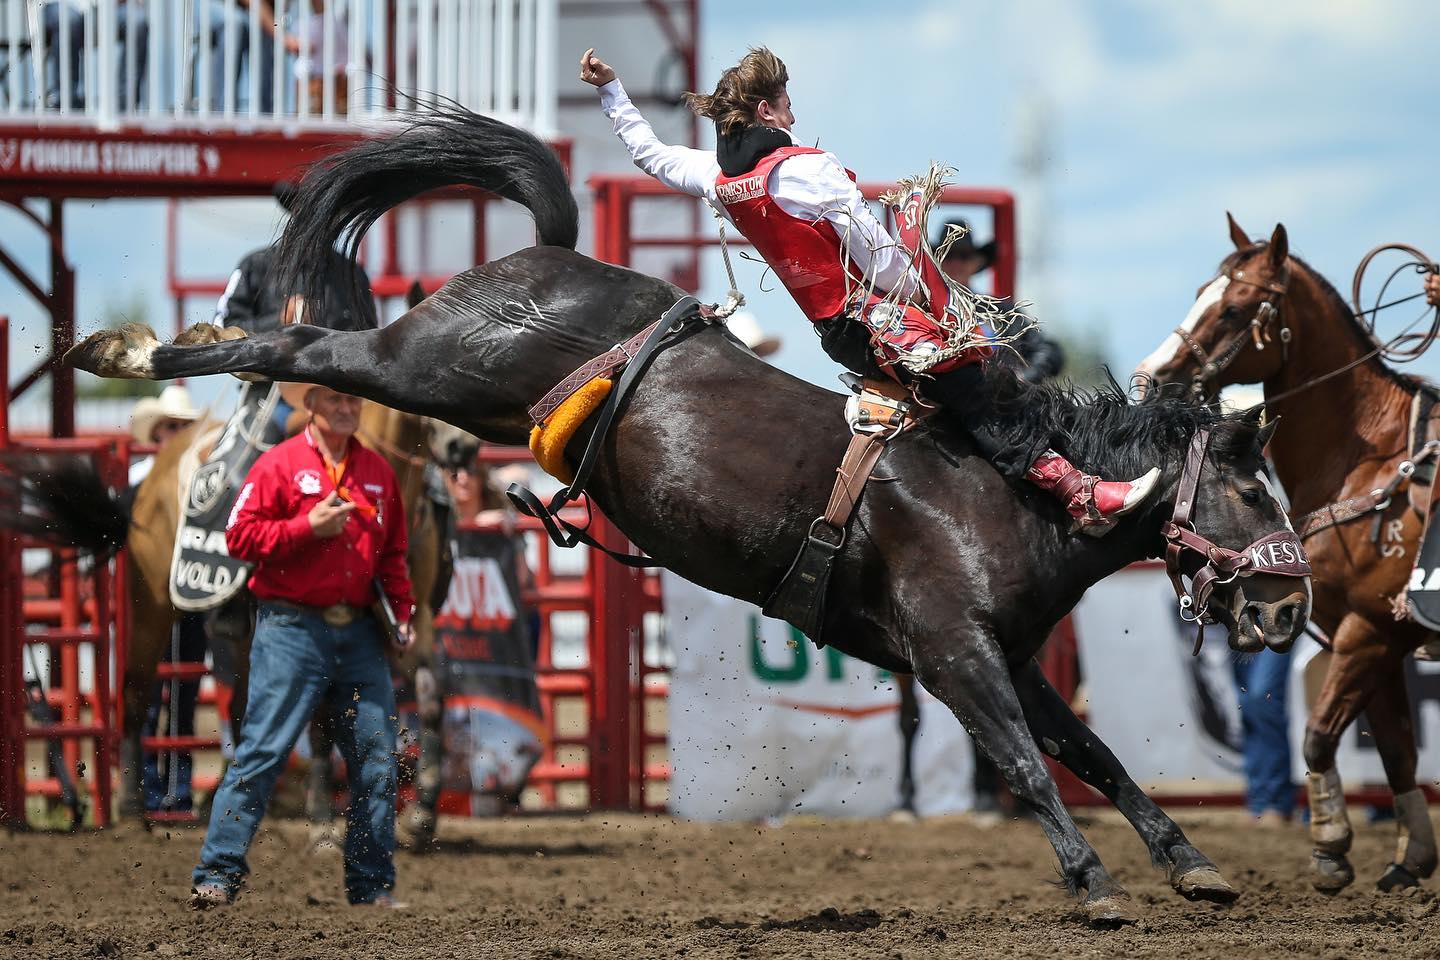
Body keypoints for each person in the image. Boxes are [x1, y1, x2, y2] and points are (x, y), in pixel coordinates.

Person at [581, 47, 1155, 535]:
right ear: (767, 110)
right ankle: (1079, 492)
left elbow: (650, 156)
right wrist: (935, 300)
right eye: (785, 102)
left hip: (836, 331)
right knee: (979, 388)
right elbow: (880, 261)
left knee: (966, 394)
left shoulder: (719, 176)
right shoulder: (809, 171)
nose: (793, 111)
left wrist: (613, 94)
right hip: (881, 317)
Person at [189, 383, 415, 909]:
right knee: (264, 751)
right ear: (310, 405)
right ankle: (216, 874)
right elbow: (239, 536)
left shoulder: (378, 474)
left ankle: (371, 888)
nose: (346, 406)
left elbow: (393, 556)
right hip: (291, 628)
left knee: (377, 761)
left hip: (356, 630)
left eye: (352, 399)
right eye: (334, 399)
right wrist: (304, 528)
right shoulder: (279, 464)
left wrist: (401, 616)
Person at [128, 386, 212, 813]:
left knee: (184, 694)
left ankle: (175, 790)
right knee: (149, 690)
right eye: (171, 428)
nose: (177, 435)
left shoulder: (197, 481)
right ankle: (149, 786)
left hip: (191, 596)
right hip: (153, 597)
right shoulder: (139, 480)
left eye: (183, 428)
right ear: (157, 432)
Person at [935, 219, 1065, 385]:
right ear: (936, 261)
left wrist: (1021, 381)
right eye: (948, 255)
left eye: (964, 256)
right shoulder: (922, 310)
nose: (956, 263)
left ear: (976, 262)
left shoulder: (1002, 310)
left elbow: (1048, 351)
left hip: (998, 404)